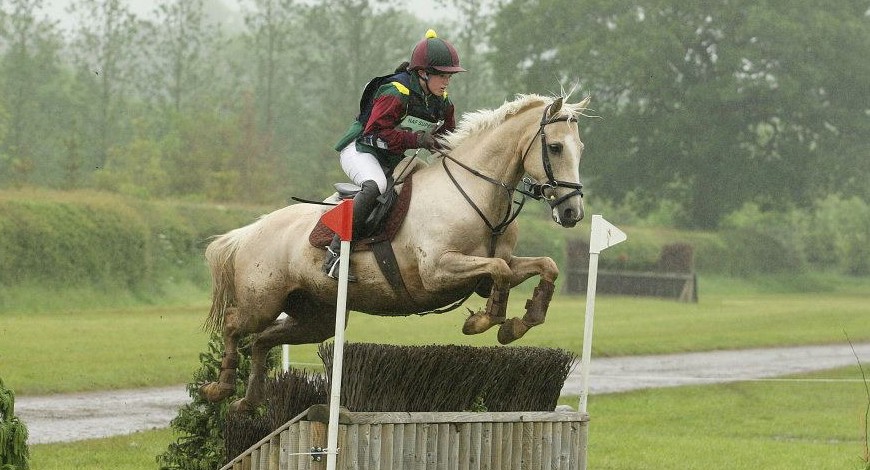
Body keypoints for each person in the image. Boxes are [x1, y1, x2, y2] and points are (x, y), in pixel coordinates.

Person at [323, 29, 467, 279]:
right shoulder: (395, 92)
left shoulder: (441, 100)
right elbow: (376, 132)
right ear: (423, 73)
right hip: (361, 149)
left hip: (391, 157)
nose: (447, 82)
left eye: (449, 76)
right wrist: (417, 139)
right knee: (376, 185)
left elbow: (448, 135)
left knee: (422, 181)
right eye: (442, 75)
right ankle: (335, 254)